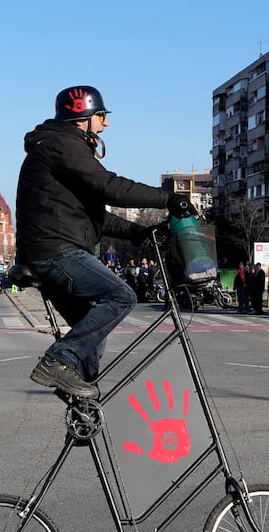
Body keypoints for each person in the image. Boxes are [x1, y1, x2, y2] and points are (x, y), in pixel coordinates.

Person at [15, 86, 190, 399]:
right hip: (57, 251)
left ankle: (81, 396)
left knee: (92, 330)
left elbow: (94, 215)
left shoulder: (59, 147)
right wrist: (168, 199)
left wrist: (137, 232)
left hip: (48, 249)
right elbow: (110, 187)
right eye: (101, 116)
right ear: (82, 116)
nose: (106, 124)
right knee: (121, 296)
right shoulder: (63, 145)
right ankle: (58, 361)